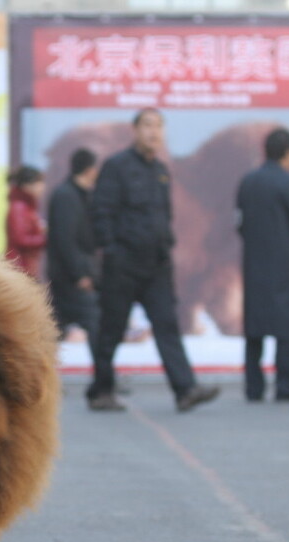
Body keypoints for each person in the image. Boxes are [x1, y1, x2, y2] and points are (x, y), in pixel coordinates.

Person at [88, 108, 219, 412]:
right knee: (111, 330)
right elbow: (101, 211)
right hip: (123, 264)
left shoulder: (160, 169)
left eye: (159, 126)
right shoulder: (116, 166)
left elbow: (164, 216)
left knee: (167, 326)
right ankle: (100, 390)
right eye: (147, 125)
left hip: (156, 265)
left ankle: (185, 390)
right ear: (134, 131)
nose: (154, 132)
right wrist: (111, 251)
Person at [236, 128, 289, 402]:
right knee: (287, 329)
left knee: (254, 331)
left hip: (255, 265)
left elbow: (241, 224)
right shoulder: (288, 183)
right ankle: (287, 385)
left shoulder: (248, 181)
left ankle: (253, 387)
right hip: (287, 265)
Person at [46, 149, 101, 397]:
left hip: (67, 275)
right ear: (90, 170)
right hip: (70, 277)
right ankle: (103, 383)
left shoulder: (76, 195)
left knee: (55, 329)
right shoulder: (67, 197)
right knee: (95, 323)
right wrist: (80, 274)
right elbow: (65, 240)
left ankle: (44, 380)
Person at [5, 165, 47, 280]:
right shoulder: (19, 207)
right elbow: (20, 239)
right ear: (27, 186)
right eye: (39, 182)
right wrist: (45, 239)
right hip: (19, 267)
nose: (42, 187)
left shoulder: (27, 206)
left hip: (26, 267)